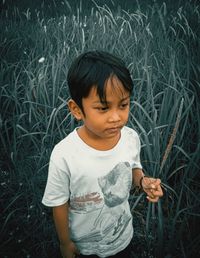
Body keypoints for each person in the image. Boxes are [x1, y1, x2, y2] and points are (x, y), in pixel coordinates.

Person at [42, 50, 163, 258]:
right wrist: (65, 243)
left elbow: (133, 169)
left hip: (123, 236)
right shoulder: (64, 155)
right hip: (84, 247)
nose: (116, 117)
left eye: (123, 105)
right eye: (103, 108)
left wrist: (143, 182)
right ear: (77, 109)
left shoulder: (130, 138)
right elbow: (59, 203)